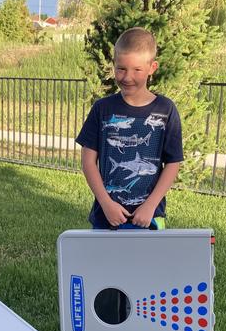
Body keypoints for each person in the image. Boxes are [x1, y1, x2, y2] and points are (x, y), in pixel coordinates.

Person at [76, 27, 184, 229]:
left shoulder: (166, 109)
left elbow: (173, 163)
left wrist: (150, 205)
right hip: (106, 216)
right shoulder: (102, 109)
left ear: (152, 67)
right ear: (113, 65)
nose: (127, 77)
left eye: (137, 70)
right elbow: (88, 162)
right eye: (121, 69)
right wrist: (106, 203)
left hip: (150, 217)